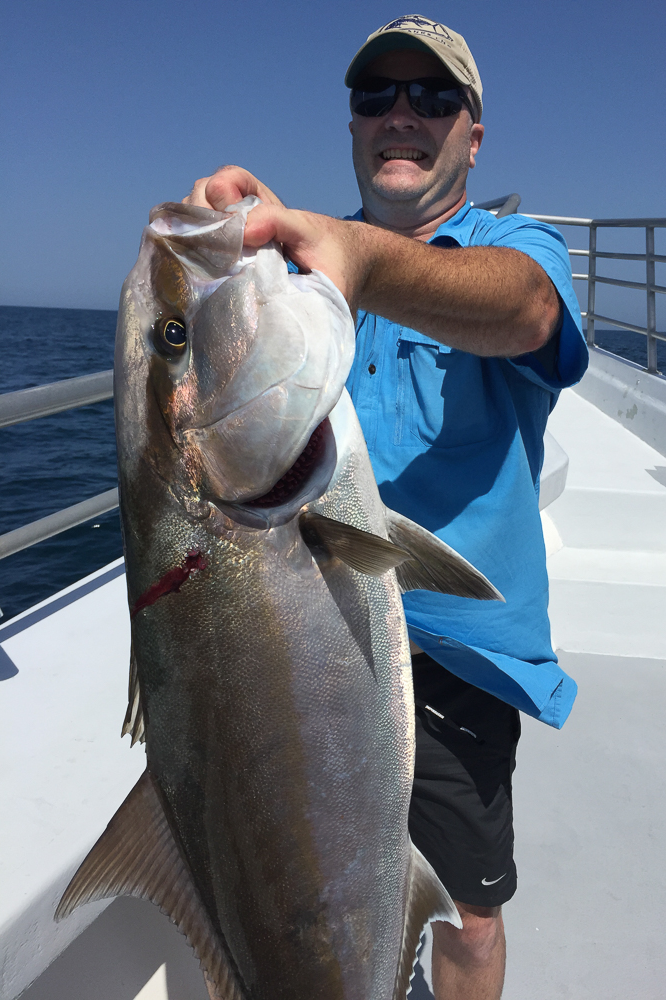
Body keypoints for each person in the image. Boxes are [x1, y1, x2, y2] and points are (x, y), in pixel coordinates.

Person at [185, 14, 588, 1000]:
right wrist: (232, 252)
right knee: (276, 895)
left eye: (433, 97)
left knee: (468, 918)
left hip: (452, 653)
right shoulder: (312, 275)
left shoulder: (509, 246)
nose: (402, 115)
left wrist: (359, 255)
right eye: (378, 97)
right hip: (301, 640)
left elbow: (529, 310)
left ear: (472, 134)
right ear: (354, 125)